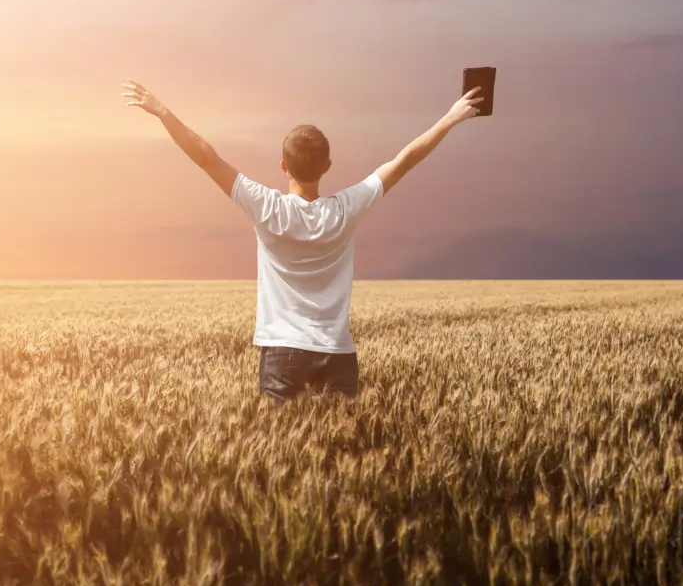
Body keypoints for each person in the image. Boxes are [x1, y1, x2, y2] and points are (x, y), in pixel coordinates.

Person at [121, 79, 484, 400]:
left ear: (283, 165)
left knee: (280, 449)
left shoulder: (267, 207)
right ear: (327, 166)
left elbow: (206, 158)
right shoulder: (346, 208)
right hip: (337, 352)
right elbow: (404, 161)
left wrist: (162, 112)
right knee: (342, 450)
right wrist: (450, 118)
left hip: (282, 353)